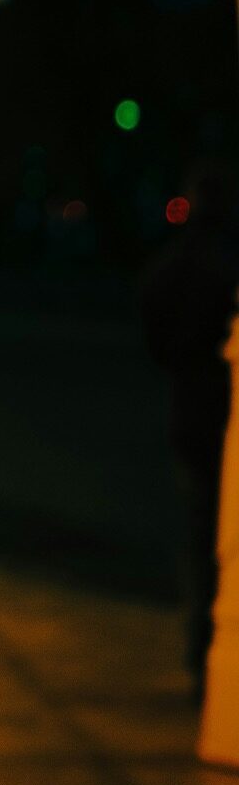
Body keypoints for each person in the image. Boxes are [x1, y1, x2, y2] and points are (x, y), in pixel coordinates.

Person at [139, 159, 239, 700]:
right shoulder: (229, 264)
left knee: (199, 538)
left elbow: (152, 330)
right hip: (228, 416)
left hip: (190, 416)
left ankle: (202, 656)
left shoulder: (171, 267)